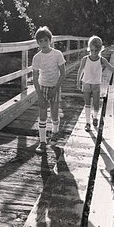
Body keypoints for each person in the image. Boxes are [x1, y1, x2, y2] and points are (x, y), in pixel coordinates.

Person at [32, 26, 66, 154]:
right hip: (42, 87)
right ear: (38, 43)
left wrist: (55, 89)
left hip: (55, 86)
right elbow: (35, 78)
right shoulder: (37, 57)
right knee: (42, 114)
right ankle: (42, 142)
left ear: (50, 40)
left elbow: (63, 73)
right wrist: (39, 95)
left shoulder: (57, 54)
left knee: (54, 114)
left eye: (46, 40)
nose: (43, 43)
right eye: (40, 41)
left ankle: (55, 132)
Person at [77, 35, 114, 132]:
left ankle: (95, 117)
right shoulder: (85, 59)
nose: (94, 53)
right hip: (86, 83)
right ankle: (87, 123)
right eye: (92, 50)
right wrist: (78, 81)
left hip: (96, 84)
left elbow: (110, 67)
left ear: (100, 50)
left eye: (96, 51)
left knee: (96, 104)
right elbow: (80, 70)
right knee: (87, 103)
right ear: (89, 48)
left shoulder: (101, 59)